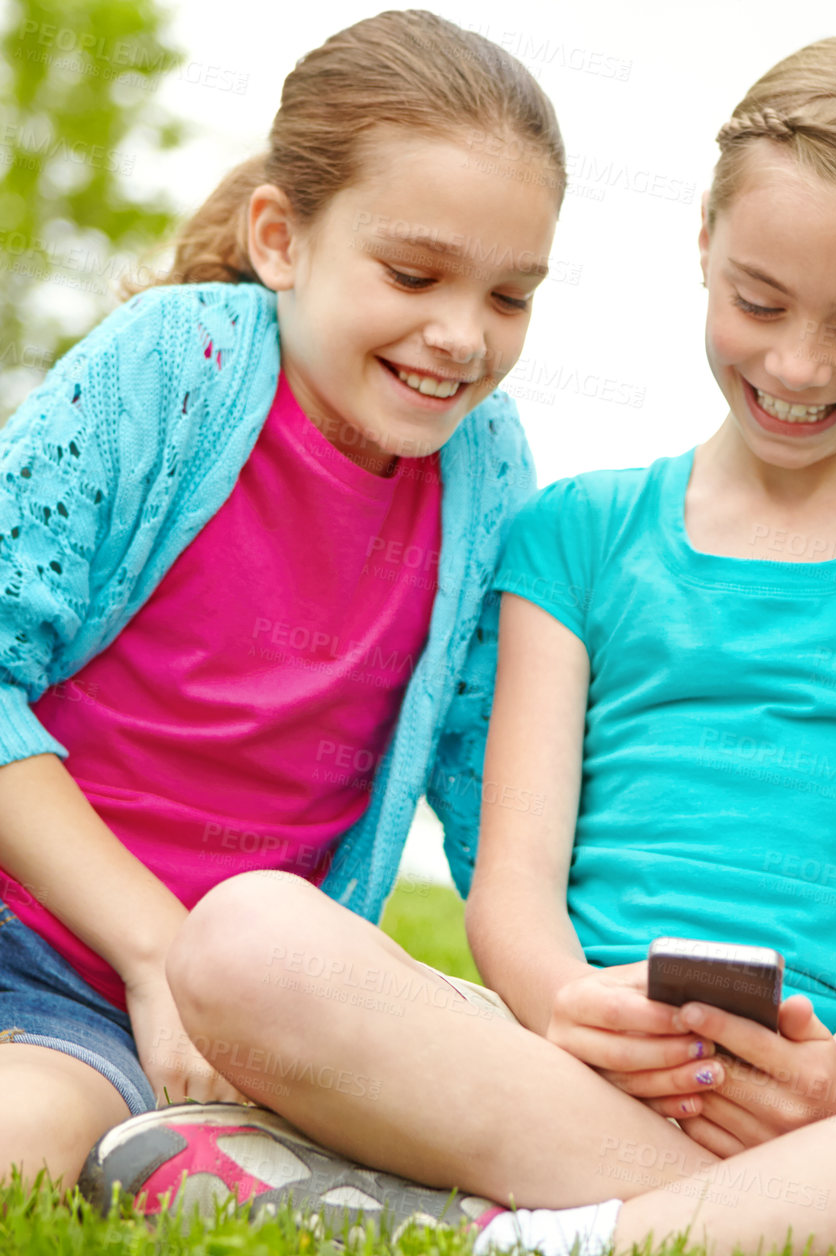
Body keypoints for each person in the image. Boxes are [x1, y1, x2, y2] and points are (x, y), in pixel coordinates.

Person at [82, 35, 836, 1256]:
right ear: (701, 240)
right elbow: (512, 883)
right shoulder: (576, 533)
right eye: (759, 303)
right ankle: (810, 1222)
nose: (798, 364)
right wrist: (567, 1007)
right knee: (241, 938)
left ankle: (550, 1229)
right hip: (571, 1065)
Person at [0, 8, 562, 1194]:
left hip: (182, 1018)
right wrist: (159, 951)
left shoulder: (488, 470)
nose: (461, 336)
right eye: (414, 274)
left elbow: (495, 785)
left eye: (511, 297)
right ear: (280, 238)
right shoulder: (173, 367)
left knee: (28, 1145)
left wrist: (591, 997)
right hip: (56, 934)